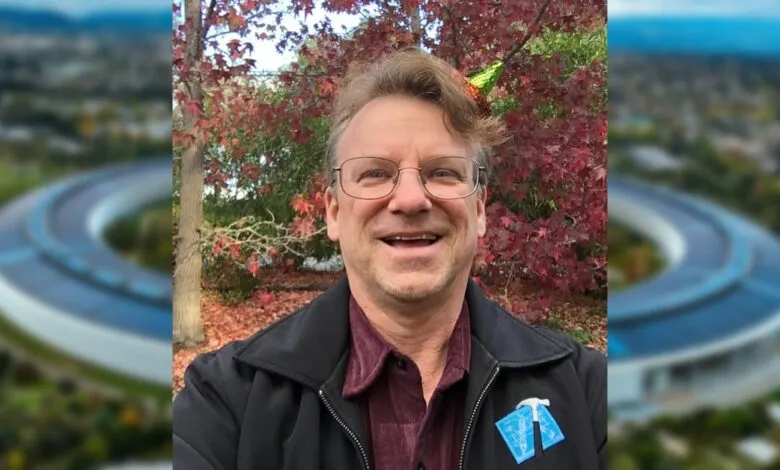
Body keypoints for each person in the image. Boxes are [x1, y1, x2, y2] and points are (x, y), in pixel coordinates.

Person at [173, 48, 606, 470]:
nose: (412, 199)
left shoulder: (588, 395)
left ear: (478, 210)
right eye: (376, 173)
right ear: (334, 212)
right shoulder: (227, 401)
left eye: (442, 171)